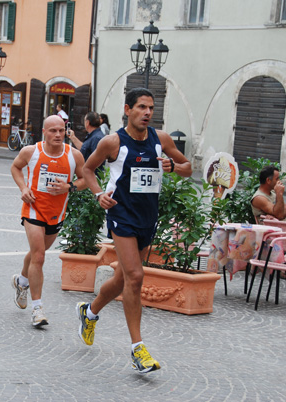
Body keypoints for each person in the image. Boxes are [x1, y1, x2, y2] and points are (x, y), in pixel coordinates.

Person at [75, 88, 192, 373]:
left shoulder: (160, 139)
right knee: (136, 277)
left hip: (146, 217)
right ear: (128, 110)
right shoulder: (112, 142)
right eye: (141, 107)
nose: (148, 113)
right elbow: (88, 170)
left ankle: (89, 313)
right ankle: (137, 349)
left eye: (151, 108)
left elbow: (188, 167)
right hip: (121, 215)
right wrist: (98, 194)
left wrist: (174, 166)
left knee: (120, 279)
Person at [10, 115, 86, 327]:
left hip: (57, 213)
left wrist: (69, 187)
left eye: (61, 130)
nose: (58, 135)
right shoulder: (31, 152)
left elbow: (86, 180)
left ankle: (21, 281)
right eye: (53, 131)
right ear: (44, 132)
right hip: (33, 210)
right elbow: (15, 168)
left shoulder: (74, 155)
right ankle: (38, 309)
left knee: (37, 253)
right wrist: (24, 188)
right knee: (40, 256)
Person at [67, 111, 105, 176]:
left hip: (91, 176)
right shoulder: (93, 135)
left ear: (87, 123)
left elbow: (96, 161)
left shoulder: (97, 138)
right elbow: (85, 149)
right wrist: (73, 137)